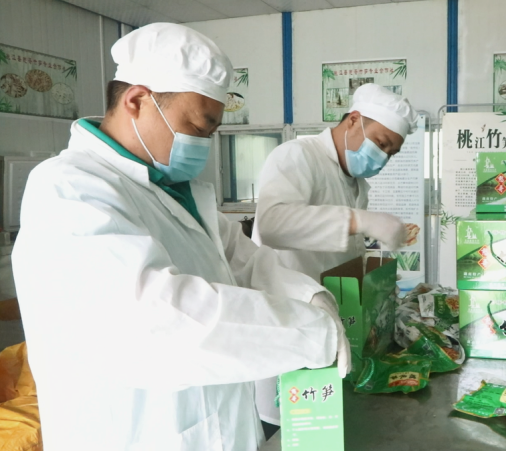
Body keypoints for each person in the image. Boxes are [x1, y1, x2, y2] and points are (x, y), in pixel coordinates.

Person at [11, 23, 349, 451]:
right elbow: (155, 321)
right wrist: (310, 333)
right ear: (137, 101)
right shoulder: (69, 190)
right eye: (198, 127)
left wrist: (308, 295)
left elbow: (244, 262)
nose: (204, 143)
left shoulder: (176, 193)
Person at [251, 83, 418, 429]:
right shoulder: (297, 156)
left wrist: (374, 286)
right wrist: (360, 221)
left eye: (391, 152)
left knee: (322, 423)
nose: (383, 158)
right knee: (285, 426)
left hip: (331, 320)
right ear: (353, 120)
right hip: (288, 315)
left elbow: (341, 252)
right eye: (381, 143)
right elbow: (272, 224)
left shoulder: (354, 182)